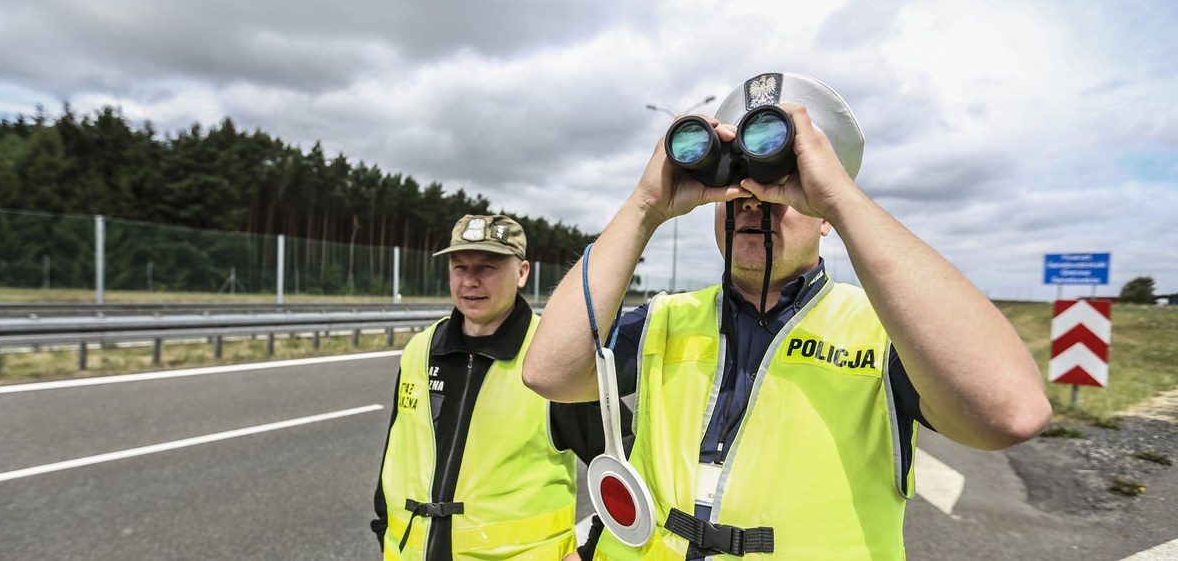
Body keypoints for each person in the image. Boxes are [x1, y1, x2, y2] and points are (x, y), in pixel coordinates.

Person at [522, 73, 1052, 560]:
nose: (754, 203)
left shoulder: (882, 333)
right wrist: (644, 206)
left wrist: (841, 200)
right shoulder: (666, 318)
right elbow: (549, 371)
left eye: (782, 184)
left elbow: (1010, 412)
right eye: (740, 188)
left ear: (824, 214)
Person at [372, 213, 605, 560]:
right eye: (460, 267)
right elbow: (397, 454)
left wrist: (590, 552)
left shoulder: (552, 357)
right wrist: (383, 531)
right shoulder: (420, 348)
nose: (470, 281)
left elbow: (629, 465)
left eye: (487, 268)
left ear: (522, 272)